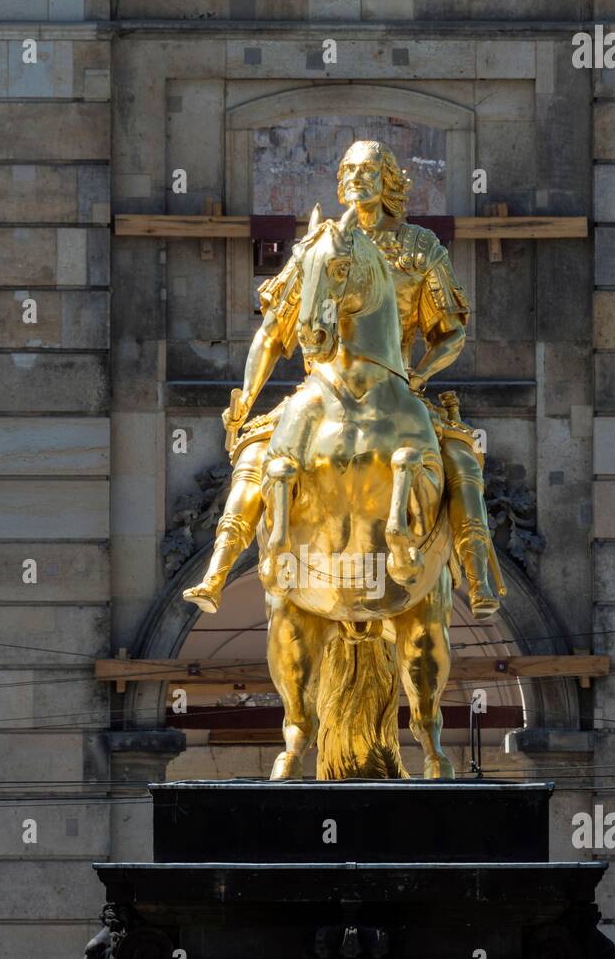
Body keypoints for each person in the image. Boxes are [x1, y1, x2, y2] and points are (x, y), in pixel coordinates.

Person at [183, 138, 502, 617]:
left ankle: (477, 578)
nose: (356, 177)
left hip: (397, 386)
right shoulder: (317, 245)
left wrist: (417, 375)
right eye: (348, 169)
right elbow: (274, 330)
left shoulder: (420, 249)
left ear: (388, 181)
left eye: (368, 169)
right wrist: (246, 400)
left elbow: (451, 332)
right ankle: (219, 569)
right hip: (321, 387)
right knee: (254, 454)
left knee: (462, 462)